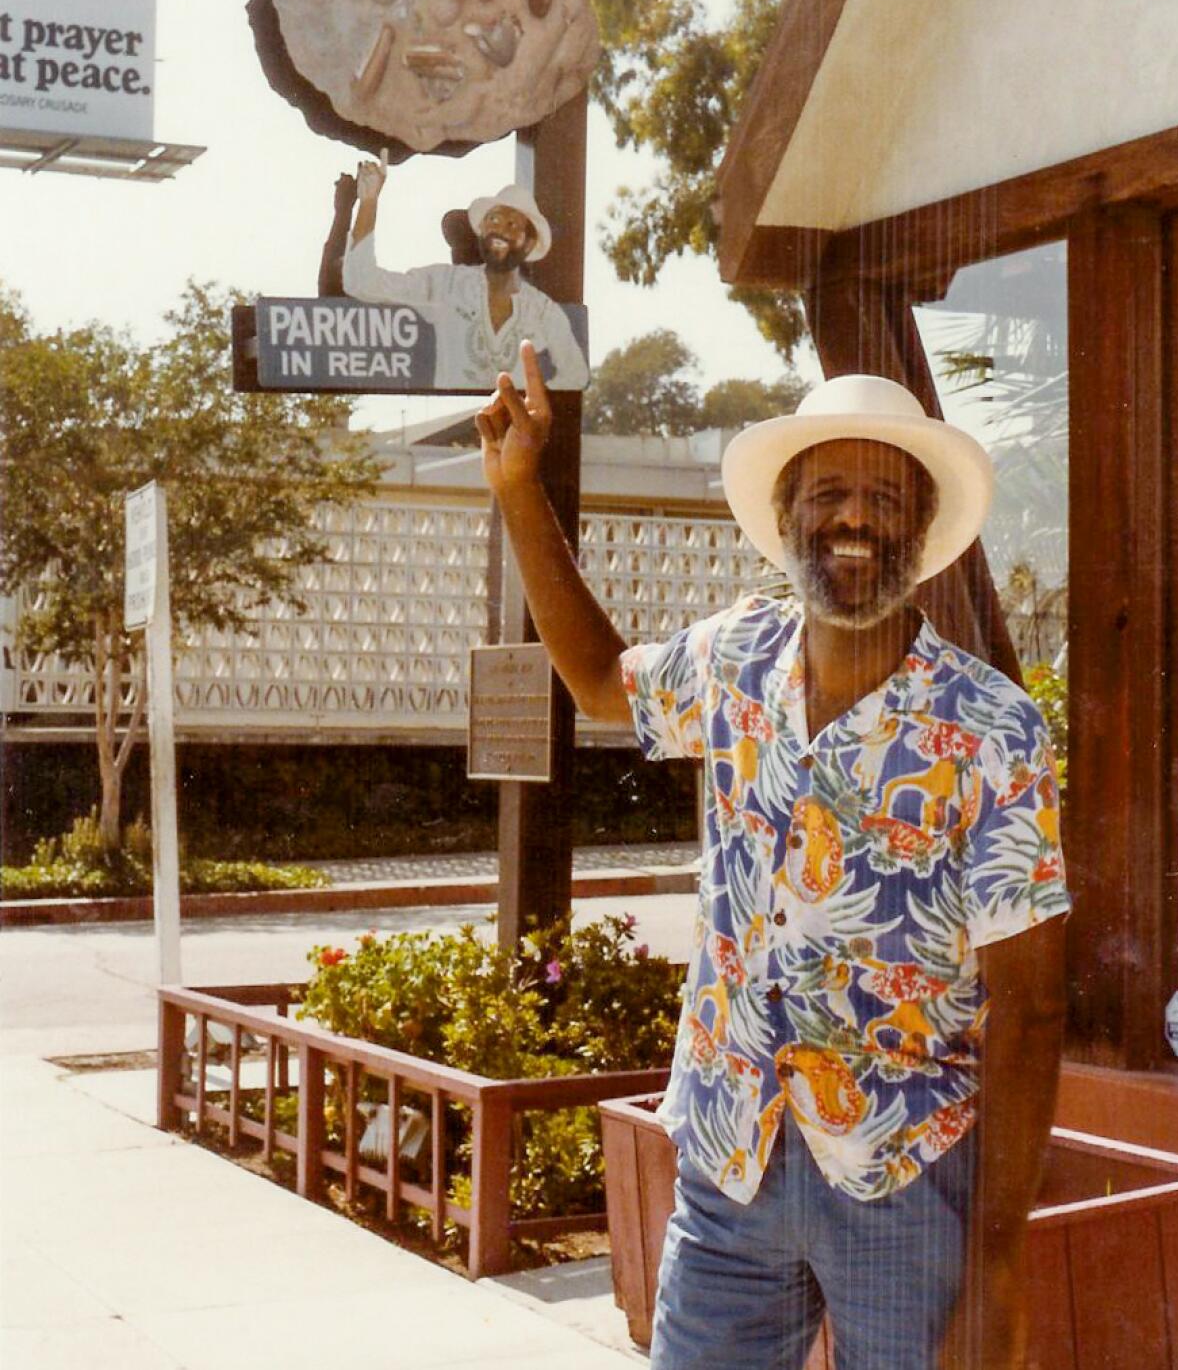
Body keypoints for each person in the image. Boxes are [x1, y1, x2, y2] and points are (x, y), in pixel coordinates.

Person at [476, 345, 1070, 1370]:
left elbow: (1032, 1005)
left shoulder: (991, 728)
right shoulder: (732, 659)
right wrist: (519, 487)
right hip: (730, 1161)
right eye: (828, 492)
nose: (852, 517)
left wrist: (999, 1265)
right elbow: (595, 682)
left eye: (883, 496)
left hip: (903, 1178)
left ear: (921, 530)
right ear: (787, 519)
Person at [340, 153, 588, 389]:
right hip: (455, 428)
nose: (500, 229)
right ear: (481, 229)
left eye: (513, 225)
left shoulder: (542, 309)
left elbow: (576, 375)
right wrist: (369, 201)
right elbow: (361, 282)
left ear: (529, 243)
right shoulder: (445, 285)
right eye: (494, 220)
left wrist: (528, 407)